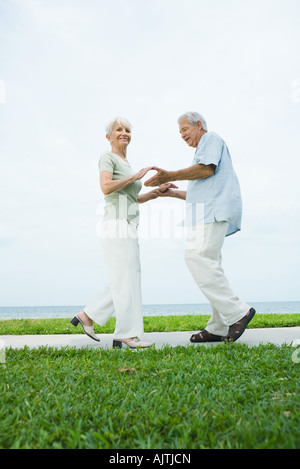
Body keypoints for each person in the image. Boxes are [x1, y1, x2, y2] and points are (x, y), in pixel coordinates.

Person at [145, 111, 255, 343]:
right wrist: (172, 192)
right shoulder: (200, 152)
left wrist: (171, 173)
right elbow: (200, 190)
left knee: (197, 257)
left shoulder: (210, 139)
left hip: (213, 212)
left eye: (184, 129)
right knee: (209, 264)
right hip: (207, 211)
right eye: (180, 133)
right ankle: (218, 326)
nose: (182, 135)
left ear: (198, 125)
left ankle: (238, 312)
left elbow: (207, 169)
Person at [71, 117, 177, 348]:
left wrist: (155, 192)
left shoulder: (126, 162)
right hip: (116, 223)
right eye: (119, 129)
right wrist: (135, 176)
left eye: (128, 130)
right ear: (109, 136)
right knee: (125, 280)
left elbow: (131, 198)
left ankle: (88, 316)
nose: (124, 133)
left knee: (128, 278)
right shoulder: (107, 157)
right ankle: (124, 334)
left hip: (128, 223)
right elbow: (106, 187)